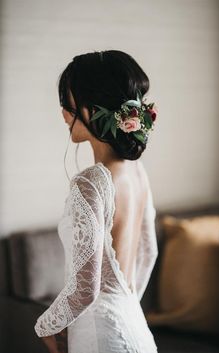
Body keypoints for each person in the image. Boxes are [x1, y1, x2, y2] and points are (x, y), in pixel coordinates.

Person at [34, 49, 159, 353]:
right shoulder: (137, 172)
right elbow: (148, 253)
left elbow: (85, 288)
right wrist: (122, 308)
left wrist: (44, 327)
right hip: (137, 333)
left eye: (68, 103)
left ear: (93, 108)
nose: (64, 113)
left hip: (101, 340)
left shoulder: (91, 182)